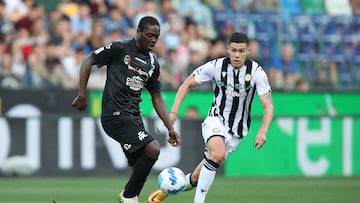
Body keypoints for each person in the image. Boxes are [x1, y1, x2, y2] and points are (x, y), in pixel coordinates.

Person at [148, 32, 274, 203]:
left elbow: (268, 106)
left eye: (241, 51)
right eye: (234, 50)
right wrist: (174, 113)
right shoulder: (216, 66)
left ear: (248, 51)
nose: (237, 55)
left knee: (197, 176)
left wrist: (263, 130)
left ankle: (167, 190)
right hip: (215, 119)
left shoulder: (257, 72)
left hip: (237, 132)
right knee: (218, 154)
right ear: (228, 50)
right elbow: (187, 84)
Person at [71, 16, 181, 203]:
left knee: (142, 162)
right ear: (138, 32)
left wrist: (170, 127)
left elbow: (156, 96)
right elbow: (88, 60)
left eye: (157, 36)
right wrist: (82, 94)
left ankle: (130, 197)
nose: (153, 40)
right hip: (114, 115)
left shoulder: (153, 63)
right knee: (153, 148)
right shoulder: (119, 49)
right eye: (149, 35)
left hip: (133, 117)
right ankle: (129, 197)